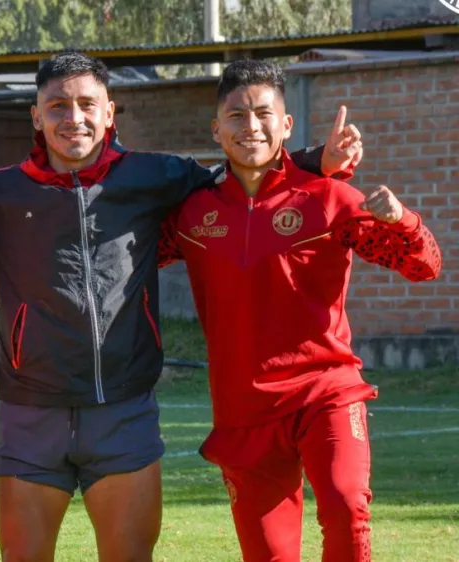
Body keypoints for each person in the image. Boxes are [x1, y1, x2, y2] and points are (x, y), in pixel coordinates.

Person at [0, 52, 363, 561]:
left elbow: (239, 173)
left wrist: (312, 160)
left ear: (110, 112)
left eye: (87, 104)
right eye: (57, 106)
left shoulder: (154, 176)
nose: (74, 118)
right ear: (36, 117)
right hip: (29, 412)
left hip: (123, 411)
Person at [158, 59, 441, 562]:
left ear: (286, 125)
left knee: (346, 508)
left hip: (325, 391)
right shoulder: (189, 214)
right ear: (216, 129)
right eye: (237, 116)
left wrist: (403, 220)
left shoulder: (330, 198)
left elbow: (425, 268)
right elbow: (118, 260)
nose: (252, 127)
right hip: (243, 410)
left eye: (264, 114)